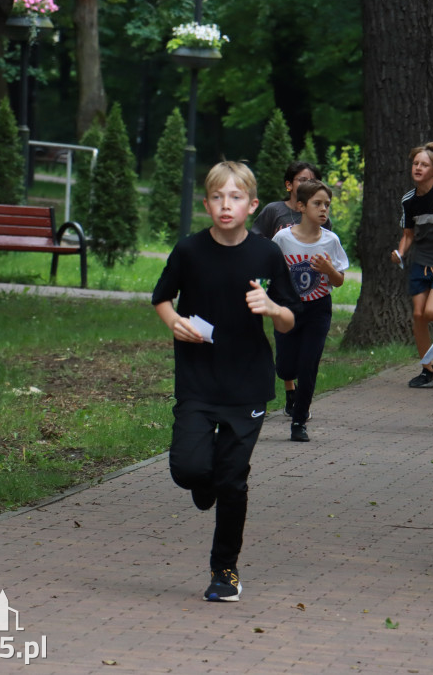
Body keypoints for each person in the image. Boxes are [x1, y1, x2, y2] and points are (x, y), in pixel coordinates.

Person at [152, 161, 300, 603]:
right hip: (198, 379)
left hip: (247, 385)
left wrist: (273, 308)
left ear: (252, 205)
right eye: (217, 197)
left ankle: (225, 570)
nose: (225, 205)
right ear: (206, 204)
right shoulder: (189, 250)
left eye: (235, 197)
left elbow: (291, 319)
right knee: (189, 469)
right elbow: (161, 297)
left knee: (233, 481)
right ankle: (205, 480)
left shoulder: (266, 254)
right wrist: (174, 322)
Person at [271, 180, 349, 442]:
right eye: (317, 203)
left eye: (327, 204)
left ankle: (299, 421)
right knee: (286, 367)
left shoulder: (331, 241)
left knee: (309, 365)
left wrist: (328, 270)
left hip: (318, 309)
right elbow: (269, 272)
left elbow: (338, 281)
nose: (323, 209)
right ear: (301, 206)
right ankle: (288, 388)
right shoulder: (282, 239)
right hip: (288, 310)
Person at [249, 161, 329, 415]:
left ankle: (298, 405)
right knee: (285, 349)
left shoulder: (321, 216)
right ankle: (289, 386)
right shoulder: (275, 211)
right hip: (283, 292)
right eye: (301, 180)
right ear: (289, 184)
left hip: (312, 293)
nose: (306, 184)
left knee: (306, 354)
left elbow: (326, 247)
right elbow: (257, 238)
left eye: (311, 180)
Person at [391, 142, 433, 389]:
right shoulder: (408, 200)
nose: (418, 168)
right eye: (416, 163)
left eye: (425, 164)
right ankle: (427, 371)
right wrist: (400, 253)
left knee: (432, 313)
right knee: (419, 316)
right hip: (421, 262)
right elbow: (408, 234)